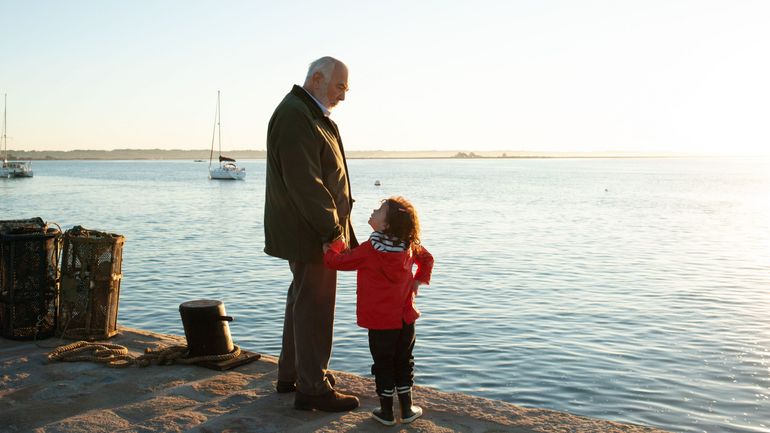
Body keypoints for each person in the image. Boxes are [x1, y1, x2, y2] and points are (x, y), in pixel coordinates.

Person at [263, 56, 359, 412]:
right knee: (315, 305)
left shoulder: (308, 114)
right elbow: (306, 183)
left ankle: (293, 375)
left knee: (302, 299)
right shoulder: (296, 115)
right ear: (317, 79)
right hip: (311, 231)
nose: (343, 96)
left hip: (307, 228)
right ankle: (312, 387)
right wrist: (332, 231)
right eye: (340, 87)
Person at [323, 197, 434, 425]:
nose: (374, 210)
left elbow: (338, 262)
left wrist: (332, 248)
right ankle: (407, 409)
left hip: (381, 322)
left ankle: (386, 412)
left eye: (380, 210)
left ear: (385, 225)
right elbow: (428, 259)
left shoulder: (370, 250)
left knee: (383, 364)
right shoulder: (408, 246)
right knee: (404, 361)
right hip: (405, 319)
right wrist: (418, 280)